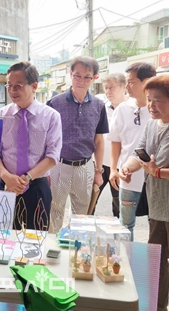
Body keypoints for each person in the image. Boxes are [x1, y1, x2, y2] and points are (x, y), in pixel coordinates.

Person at [120, 74, 169, 310]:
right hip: (157, 207)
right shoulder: (153, 123)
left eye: (158, 100)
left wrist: (158, 173)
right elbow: (141, 153)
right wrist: (127, 167)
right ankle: (156, 307)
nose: (151, 105)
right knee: (156, 264)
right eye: (148, 99)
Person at [47, 56, 109, 233]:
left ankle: (79, 255)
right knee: (55, 212)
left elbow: (99, 140)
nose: (81, 81)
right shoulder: (54, 103)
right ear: (70, 74)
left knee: (82, 216)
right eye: (77, 75)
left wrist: (98, 171)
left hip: (85, 166)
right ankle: (55, 253)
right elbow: (46, 139)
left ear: (95, 78)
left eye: (87, 77)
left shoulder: (99, 105)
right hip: (59, 165)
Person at [0, 61, 62, 230]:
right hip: (6, 185)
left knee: (36, 239)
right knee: (4, 237)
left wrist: (26, 178)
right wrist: (6, 176)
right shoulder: (1, 116)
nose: (12, 90)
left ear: (34, 86)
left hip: (37, 186)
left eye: (17, 86)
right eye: (9, 85)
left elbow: (52, 156)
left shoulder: (51, 116)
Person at [108, 62, 156, 240]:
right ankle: (123, 263)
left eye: (131, 82)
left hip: (157, 177)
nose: (127, 86)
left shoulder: (159, 109)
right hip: (128, 177)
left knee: (157, 226)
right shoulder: (123, 109)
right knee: (125, 225)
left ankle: (155, 266)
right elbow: (115, 141)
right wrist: (114, 169)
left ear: (147, 81)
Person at [91, 73, 128, 217]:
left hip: (120, 165)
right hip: (99, 163)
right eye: (106, 88)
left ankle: (118, 237)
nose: (108, 92)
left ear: (124, 87)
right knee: (90, 201)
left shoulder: (131, 109)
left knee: (119, 206)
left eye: (111, 88)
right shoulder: (101, 108)